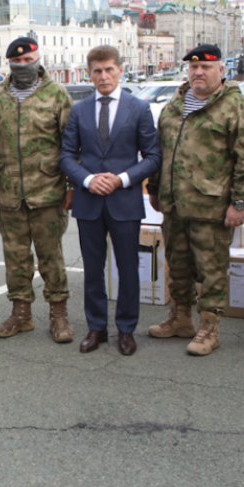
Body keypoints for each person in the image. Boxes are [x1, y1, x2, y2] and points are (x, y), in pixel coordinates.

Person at [147, 44, 244, 356]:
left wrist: (239, 203)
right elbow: (162, 151)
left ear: (221, 71)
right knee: (178, 265)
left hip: (212, 208)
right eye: (194, 67)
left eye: (207, 67)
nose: (199, 72)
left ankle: (209, 330)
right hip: (174, 205)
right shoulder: (175, 104)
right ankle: (181, 318)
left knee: (211, 271)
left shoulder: (235, 107)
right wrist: (156, 189)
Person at [60, 45, 162, 355]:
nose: (103, 76)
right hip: (89, 202)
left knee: (128, 268)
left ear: (120, 70)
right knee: (92, 270)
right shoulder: (78, 110)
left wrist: (122, 179)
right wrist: (88, 180)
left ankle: (126, 329)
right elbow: (66, 156)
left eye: (109, 70)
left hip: (125, 201)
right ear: (88, 74)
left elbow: (153, 156)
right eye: (97, 71)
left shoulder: (139, 109)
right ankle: (97, 328)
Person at [0, 37, 75, 343]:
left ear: (38, 59)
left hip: (48, 191)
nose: (23, 66)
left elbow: (71, 145)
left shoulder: (57, 95)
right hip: (8, 192)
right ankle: (21, 314)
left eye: (28, 60)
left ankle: (59, 315)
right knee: (15, 257)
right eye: (17, 62)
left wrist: (71, 186)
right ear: (9, 63)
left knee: (51, 256)